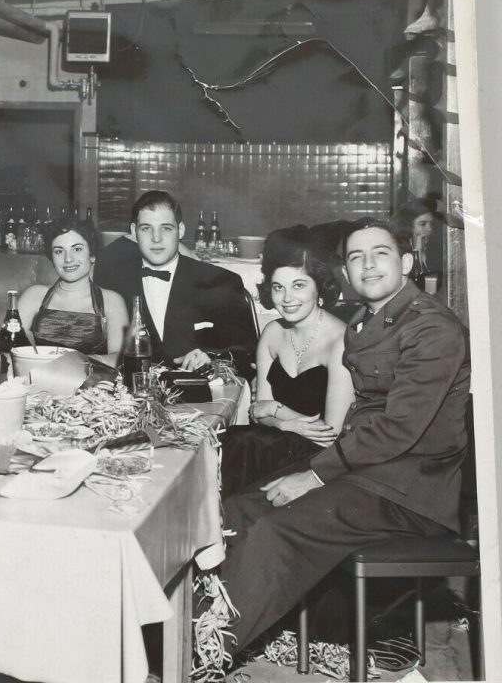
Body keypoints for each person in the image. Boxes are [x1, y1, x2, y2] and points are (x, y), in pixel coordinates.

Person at [202, 217, 470, 665]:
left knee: (273, 530)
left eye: (380, 254)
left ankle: (206, 656)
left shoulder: (432, 329)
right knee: (236, 510)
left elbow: (399, 429)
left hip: (410, 491)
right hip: (369, 473)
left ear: (406, 262)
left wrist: (315, 474)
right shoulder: (365, 321)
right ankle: (190, 635)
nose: (367, 265)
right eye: (355, 257)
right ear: (345, 270)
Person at [220, 226, 353, 495]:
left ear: (320, 287)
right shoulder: (272, 333)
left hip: (318, 461)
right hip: (275, 442)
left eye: (299, 285)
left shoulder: (339, 342)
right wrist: (284, 422)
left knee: (246, 451)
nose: (287, 298)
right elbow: (258, 413)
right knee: (236, 444)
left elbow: (329, 434)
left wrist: (274, 408)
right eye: (278, 287)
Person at [95, 190, 258, 374]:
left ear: (180, 230)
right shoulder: (115, 282)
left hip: (202, 394)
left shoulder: (220, 281)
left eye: (166, 228)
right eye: (146, 228)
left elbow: (245, 349)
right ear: (134, 232)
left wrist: (212, 357)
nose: (156, 238)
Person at [16, 218, 128, 354]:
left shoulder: (112, 301)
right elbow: (13, 348)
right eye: (59, 251)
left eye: (77, 249)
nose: (68, 259)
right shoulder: (33, 295)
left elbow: (118, 360)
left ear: (92, 255)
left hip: (92, 376)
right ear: (52, 259)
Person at [391, 198, 437, 290]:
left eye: (431, 224)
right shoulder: (397, 251)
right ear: (408, 226)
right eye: (423, 224)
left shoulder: (433, 249)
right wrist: (417, 250)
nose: (430, 229)